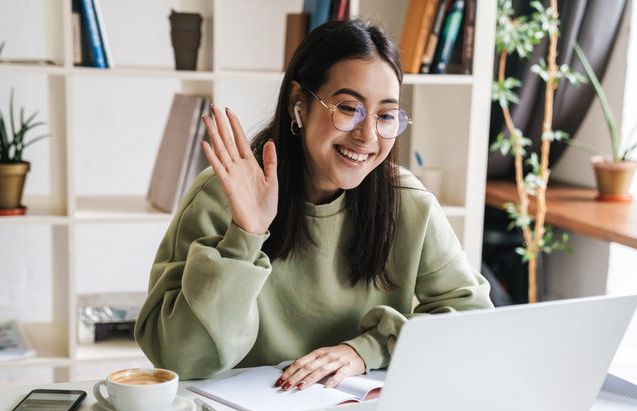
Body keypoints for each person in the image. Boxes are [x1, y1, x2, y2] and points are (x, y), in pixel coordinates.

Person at [135, 19, 492, 391]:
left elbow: (473, 321)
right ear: (299, 104)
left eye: (385, 115)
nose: (367, 135)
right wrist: (246, 235)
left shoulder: (407, 201)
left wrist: (368, 349)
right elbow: (180, 359)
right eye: (348, 108)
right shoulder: (221, 194)